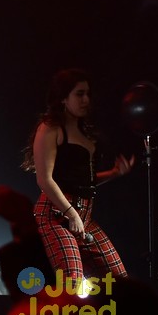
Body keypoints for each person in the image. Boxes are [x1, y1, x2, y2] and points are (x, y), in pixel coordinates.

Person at [22, 68, 132, 291]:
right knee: (73, 280)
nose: (86, 100)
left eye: (88, 94)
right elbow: (45, 179)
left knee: (121, 284)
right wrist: (71, 213)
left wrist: (113, 174)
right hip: (55, 214)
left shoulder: (85, 131)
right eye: (79, 94)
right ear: (63, 98)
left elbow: (81, 182)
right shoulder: (50, 128)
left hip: (85, 216)